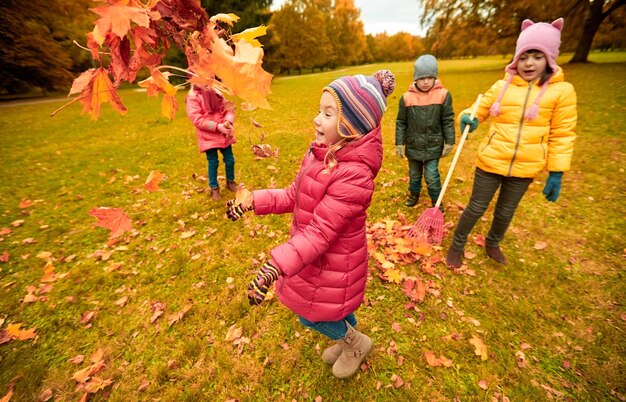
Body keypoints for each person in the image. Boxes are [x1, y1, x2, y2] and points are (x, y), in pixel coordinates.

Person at [226, 70, 396, 379]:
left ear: (351, 128)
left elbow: (320, 234)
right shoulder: (321, 155)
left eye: (328, 114)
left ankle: (354, 343)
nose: (317, 119)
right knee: (335, 308)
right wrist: (255, 200)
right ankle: (347, 338)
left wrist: (275, 266)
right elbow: (294, 195)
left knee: (309, 316)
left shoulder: (354, 175)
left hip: (332, 261)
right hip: (314, 258)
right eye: (320, 111)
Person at [446, 18, 577, 268]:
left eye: (537, 56)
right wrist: (468, 117)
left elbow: (563, 133)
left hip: (525, 167)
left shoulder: (562, 92)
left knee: (505, 211)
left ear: (549, 59)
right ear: (517, 58)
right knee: (476, 207)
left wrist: (556, 172)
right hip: (492, 160)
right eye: (525, 55)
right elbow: (480, 107)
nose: (529, 63)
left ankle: (493, 242)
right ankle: (457, 245)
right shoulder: (502, 86)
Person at [395, 54, 455, 209]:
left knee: (431, 176)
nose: (426, 81)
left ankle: (436, 201)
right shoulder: (407, 98)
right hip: (414, 144)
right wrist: (399, 143)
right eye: (422, 78)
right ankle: (414, 194)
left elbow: (447, 119)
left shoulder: (443, 95)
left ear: (435, 77)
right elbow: (401, 122)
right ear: (415, 78)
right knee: (414, 175)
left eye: (430, 77)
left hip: (433, 145)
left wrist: (449, 141)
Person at [185, 84, 238, 201]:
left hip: (224, 134)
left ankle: (230, 182)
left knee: (230, 160)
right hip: (208, 137)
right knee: (213, 163)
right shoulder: (193, 97)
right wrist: (217, 127)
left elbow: (228, 108)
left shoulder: (216, 90)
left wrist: (228, 121)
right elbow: (197, 119)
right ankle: (214, 188)